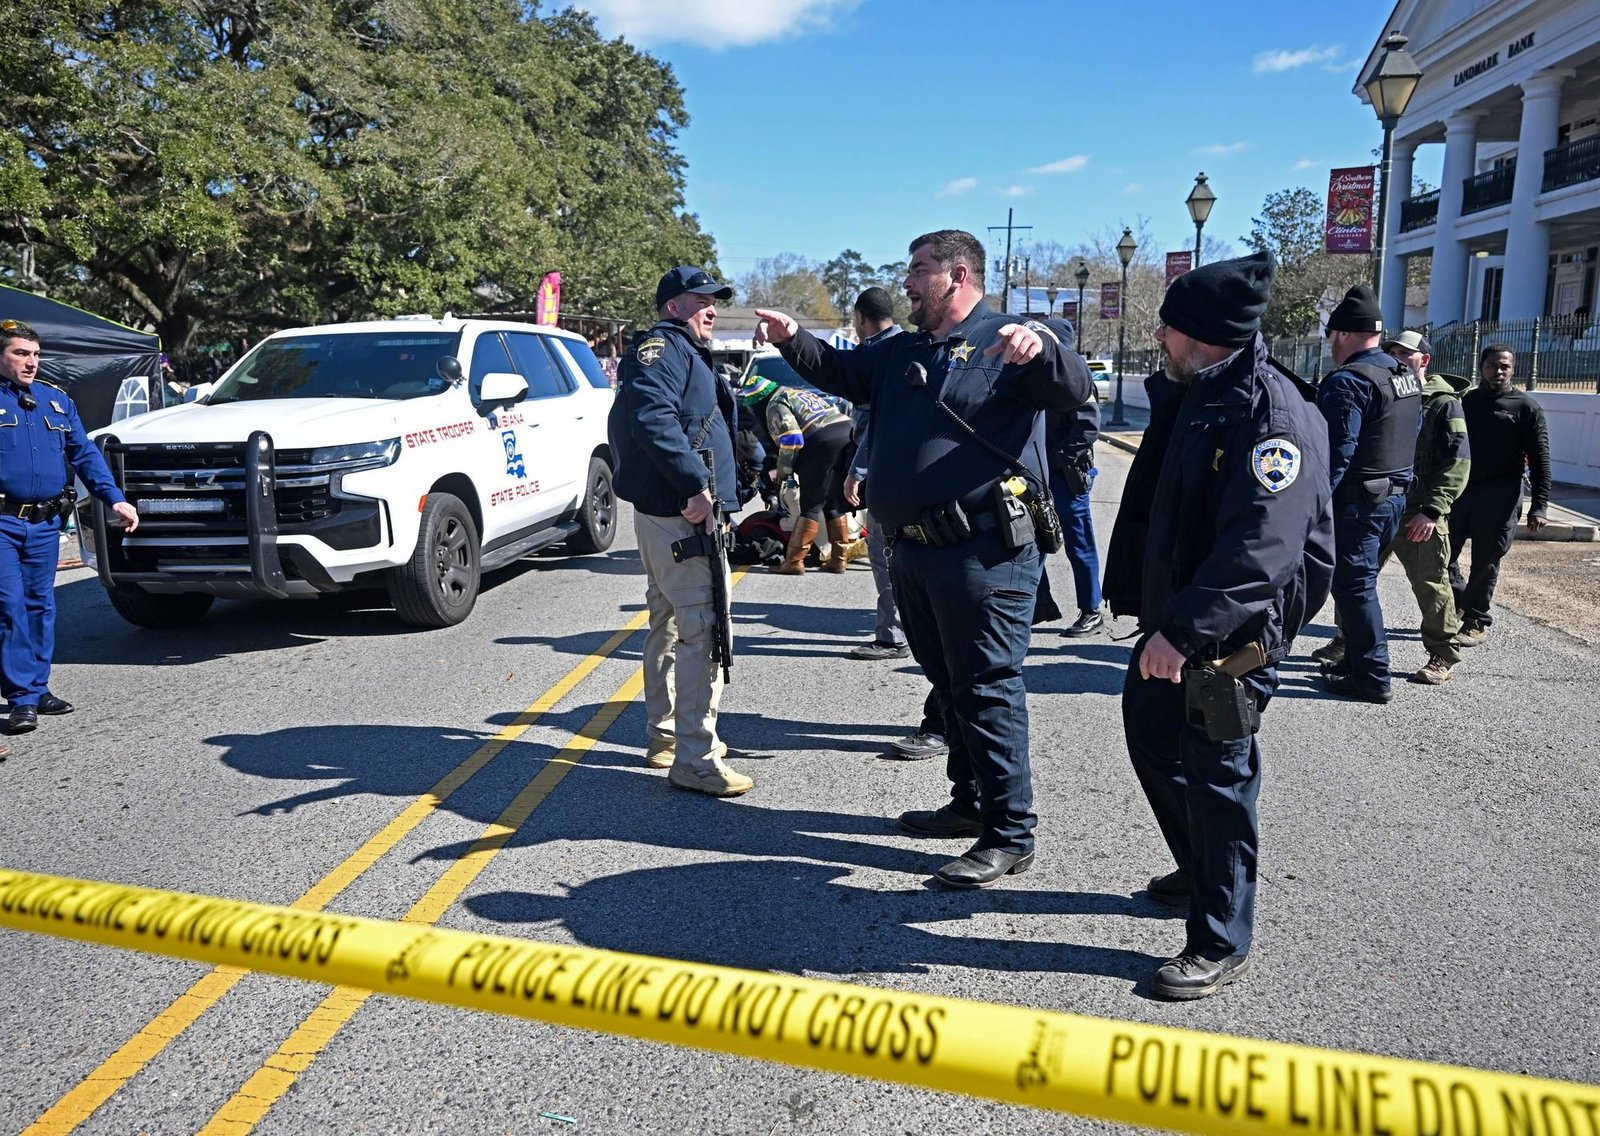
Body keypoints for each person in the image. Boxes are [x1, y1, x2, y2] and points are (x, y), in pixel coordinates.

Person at [754, 229, 1092, 889]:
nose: (907, 282)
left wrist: (1044, 347)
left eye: (918, 270)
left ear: (958, 275)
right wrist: (792, 336)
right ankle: (968, 804)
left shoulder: (1009, 338)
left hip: (984, 551)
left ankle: (1009, 832)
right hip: (916, 551)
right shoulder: (903, 349)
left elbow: (1074, 388)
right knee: (951, 683)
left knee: (988, 687)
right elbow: (839, 370)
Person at [1102, 251, 1334, 1000]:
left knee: (1220, 779)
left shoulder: (1273, 414)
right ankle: (1202, 869)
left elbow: (1260, 550)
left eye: (1169, 326)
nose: (1159, 337)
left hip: (1232, 633)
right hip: (1181, 620)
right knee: (1149, 738)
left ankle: (1219, 938)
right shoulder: (1200, 391)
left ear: (1201, 335)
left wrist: (1185, 631)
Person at [606, 267, 753, 798]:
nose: (712, 308)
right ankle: (695, 756)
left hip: (671, 511)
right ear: (673, 305)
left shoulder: (682, 350)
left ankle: (668, 737)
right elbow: (653, 418)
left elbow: (696, 420)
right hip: (681, 513)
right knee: (702, 628)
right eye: (702, 300)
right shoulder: (663, 349)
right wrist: (696, 485)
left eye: (715, 301)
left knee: (670, 621)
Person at [0, 319, 140, 736]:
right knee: (9, 607)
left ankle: (37, 686)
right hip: (3, 523)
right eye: (20, 353)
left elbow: (85, 455)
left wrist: (114, 497)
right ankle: (22, 698)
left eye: (36, 354)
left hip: (45, 523)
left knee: (41, 606)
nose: (31, 362)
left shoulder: (56, 401)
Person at [1311, 330, 1471, 685]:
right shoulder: (1387, 388)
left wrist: (1432, 510)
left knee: (1431, 584)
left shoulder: (1442, 402)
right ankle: (1349, 643)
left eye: (1405, 354)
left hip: (1420, 511)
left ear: (1423, 360)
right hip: (1382, 504)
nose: (1397, 358)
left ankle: (1442, 653)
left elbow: (1458, 461)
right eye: (1393, 352)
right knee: (1356, 581)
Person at [1314, 285, 1422, 705]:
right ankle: (1357, 661)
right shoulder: (1404, 375)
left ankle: (1373, 677)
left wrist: (1311, 506)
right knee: (1361, 583)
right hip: (1393, 494)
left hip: (1360, 501)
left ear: (1341, 334)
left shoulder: (1349, 381)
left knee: (1354, 586)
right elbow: (1411, 432)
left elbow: (1335, 455)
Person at [1448, 343, 1551, 647]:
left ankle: (1476, 619)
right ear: (1481, 366)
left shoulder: (1525, 407)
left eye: (1505, 365)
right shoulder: (1465, 402)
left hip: (1501, 496)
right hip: (1461, 492)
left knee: (1487, 559)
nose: (1499, 370)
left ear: (1513, 368)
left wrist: (1540, 506)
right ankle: (1460, 599)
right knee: (1442, 555)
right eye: (1493, 365)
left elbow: (1540, 457)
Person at [841, 287, 909, 659]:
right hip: (914, 474)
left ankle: (891, 636)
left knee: (884, 555)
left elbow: (872, 424)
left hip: (885, 473)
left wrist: (857, 471)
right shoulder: (911, 346)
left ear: (861, 318)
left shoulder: (876, 355)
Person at [733, 370, 856, 574]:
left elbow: (791, 438)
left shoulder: (774, 403)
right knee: (831, 500)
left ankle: (794, 562)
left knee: (810, 505)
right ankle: (839, 559)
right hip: (846, 433)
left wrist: (785, 472)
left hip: (822, 442)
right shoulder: (794, 392)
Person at [1034, 394, 1104, 636]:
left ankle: (1092, 610)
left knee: (1079, 543)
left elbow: (1088, 425)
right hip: (1033, 473)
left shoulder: (1070, 372)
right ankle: (1039, 605)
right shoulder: (1022, 372)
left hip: (1064, 474)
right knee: (1028, 540)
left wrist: (1058, 457)